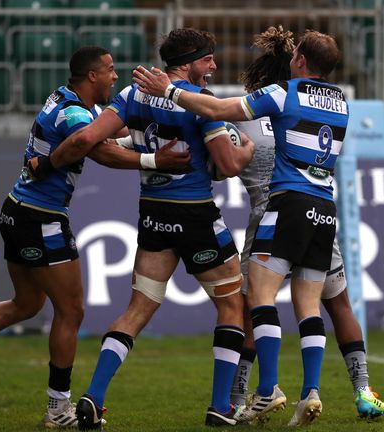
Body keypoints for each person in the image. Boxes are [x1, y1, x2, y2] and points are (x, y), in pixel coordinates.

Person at [0, 46, 191, 429]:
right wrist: (154, 160)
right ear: (92, 75)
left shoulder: (66, 100)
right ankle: (58, 409)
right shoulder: (76, 112)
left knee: (26, 303)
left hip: (17, 210)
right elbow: (91, 148)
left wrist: (150, 127)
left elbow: (108, 138)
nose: (116, 76)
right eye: (110, 70)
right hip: (40, 218)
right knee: (71, 310)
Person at [38, 28, 254, 428]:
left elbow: (90, 138)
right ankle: (221, 406)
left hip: (153, 215)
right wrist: (247, 148)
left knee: (136, 310)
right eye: (208, 60)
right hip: (195, 215)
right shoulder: (197, 105)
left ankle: (94, 396)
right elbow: (228, 166)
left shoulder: (133, 94)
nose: (213, 67)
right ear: (189, 62)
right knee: (232, 306)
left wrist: (48, 162)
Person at [134, 28, 347, 425]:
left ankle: (266, 390)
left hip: (288, 203)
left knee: (260, 298)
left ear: (299, 61)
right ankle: (311, 391)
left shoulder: (285, 92)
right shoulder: (342, 103)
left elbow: (216, 111)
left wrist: (170, 91)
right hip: (325, 208)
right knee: (308, 305)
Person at [226, 26, 384, 421]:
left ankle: (243, 394)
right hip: (317, 214)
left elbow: (223, 164)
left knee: (255, 305)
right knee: (335, 305)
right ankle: (362, 390)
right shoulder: (316, 107)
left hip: (272, 218)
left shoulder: (249, 115)